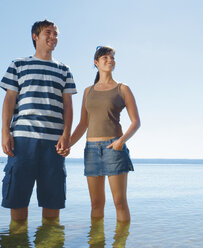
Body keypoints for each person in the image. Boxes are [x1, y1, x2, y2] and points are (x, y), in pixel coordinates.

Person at [0, 19, 77, 224]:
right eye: (48, 33)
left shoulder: (64, 70)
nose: (53, 37)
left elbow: (68, 106)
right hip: (23, 142)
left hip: (54, 145)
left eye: (56, 34)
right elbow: (9, 99)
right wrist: (5, 132)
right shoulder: (18, 64)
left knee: (52, 206)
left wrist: (66, 135)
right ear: (35, 36)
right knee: (17, 202)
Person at [70, 46, 140, 222]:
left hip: (114, 148)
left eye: (112, 57)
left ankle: (120, 242)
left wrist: (121, 141)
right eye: (105, 57)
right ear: (96, 63)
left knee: (119, 202)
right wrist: (67, 144)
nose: (110, 60)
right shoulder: (88, 91)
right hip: (91, 150)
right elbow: (83, 124)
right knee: (96, 203)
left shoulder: (122, 89)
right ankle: (96, 242)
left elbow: (136, 122)